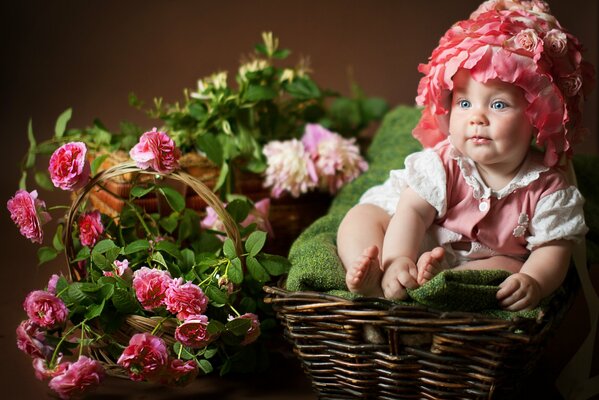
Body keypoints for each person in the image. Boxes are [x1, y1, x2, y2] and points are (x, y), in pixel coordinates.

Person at [337, 0, 595, 311]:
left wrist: (535, 281)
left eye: (498, 105)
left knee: (512, 267)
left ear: (536, 117)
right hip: (414, 238)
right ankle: (377, 279)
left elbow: (553, 248)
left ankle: (443, 288)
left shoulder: (547, 188)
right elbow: (413, 214)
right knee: (360, 218)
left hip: (482, 260)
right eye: (464, 103)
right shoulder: (444, 162)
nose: (477, 118)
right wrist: (399, 258)